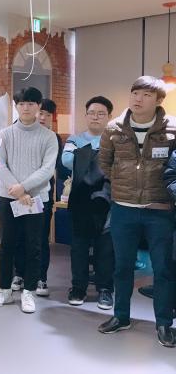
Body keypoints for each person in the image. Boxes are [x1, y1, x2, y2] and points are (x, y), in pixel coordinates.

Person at [98, 76, 176, 347]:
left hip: (160, 210)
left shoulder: (172, 128)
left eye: (146, 94)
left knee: (163, 269)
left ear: (158, 100)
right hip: (123, 209)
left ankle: (164, 323)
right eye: (135, 93)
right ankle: (121, 316)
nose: (137, 99)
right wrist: (124, 186)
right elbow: (104, 163)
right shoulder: (114, 128)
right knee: (122, 267)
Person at [0, 87, 58, 313]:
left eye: (30, 103)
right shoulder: (5, 134)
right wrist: (18, 192)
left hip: (36, 199)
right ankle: (4, 290)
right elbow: (0, 166)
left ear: (38, 106)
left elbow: (47, 169)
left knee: (34, 245)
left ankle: (28, 291)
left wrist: (24, 188)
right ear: (16, 106)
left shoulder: (48, 137)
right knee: (7, 244)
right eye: (21, 104)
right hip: (8, 198)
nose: (26, 108)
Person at [62, 96, 115, 310]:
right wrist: (100, 157)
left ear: (109, 117)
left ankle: (105, 289)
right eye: (92, 113)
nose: (96, 117)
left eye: (101, 113)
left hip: (107, 201)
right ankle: (78, 288)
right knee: (79, 248)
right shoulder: (74, 139)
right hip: (80, 199)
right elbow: (66, 161)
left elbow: (120, 166)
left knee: (106, 248)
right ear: (85, 115)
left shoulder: (115, 140)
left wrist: (87, 157)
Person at [12, 98, 63, 297]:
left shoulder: (53, 138)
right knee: (19, 235)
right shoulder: (16, 131)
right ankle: (19, 274)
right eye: (41, 113)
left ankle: (41, 278)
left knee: (40, 238)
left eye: (48, 115)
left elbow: (49, 168)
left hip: (42, 195)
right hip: (18, 194)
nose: (43, 117)